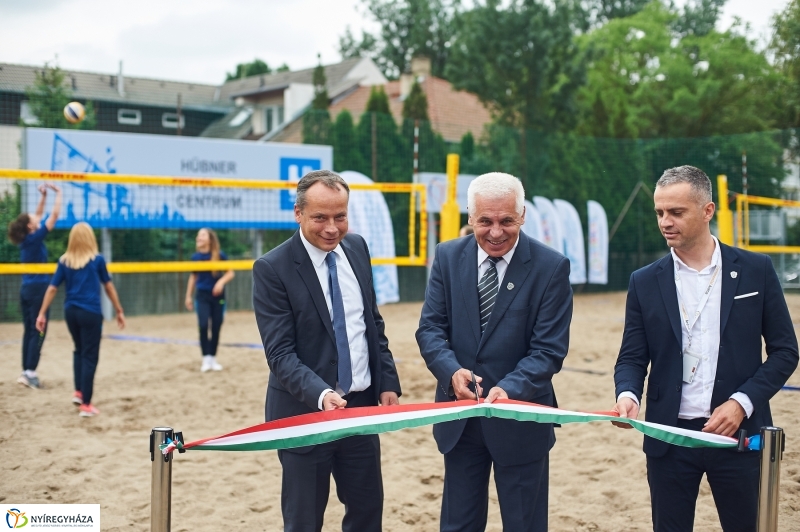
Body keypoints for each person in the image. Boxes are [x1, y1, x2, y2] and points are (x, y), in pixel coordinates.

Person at [612, 166, 799, 532]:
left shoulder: (756, 270)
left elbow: (785, 351)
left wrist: (741, 403)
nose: (665, 222)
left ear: (707, 210)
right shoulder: (644, 281)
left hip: (737, 436)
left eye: (676, 212)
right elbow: (632, 356)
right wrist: (628, 393)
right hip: (669, 437)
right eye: (660, 212)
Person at [416, 171, 573, 531]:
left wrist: (511, 388)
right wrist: (451, 371)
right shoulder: (447, 256)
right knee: (458, 524)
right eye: (485, 221)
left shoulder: (551, 267)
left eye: (507, 221)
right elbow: (430, 329)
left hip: (520, 419)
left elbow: (548, 349)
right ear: (470, 218)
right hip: (460, 418)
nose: (496, 231)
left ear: (522, 216)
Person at [252, 169, 402, 532]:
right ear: (298, 213)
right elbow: (280, 354)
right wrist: (321, 394)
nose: (332, 228)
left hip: (361, 410)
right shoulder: (272, 268)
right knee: (304, 521)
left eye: (341, 216)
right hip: (304, 414)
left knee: (367, 516)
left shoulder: (358, 248)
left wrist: (387, 381)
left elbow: (372, 324)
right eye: (320, 217)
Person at [35, 222, 125, 417]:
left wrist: (42, 313)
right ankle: (86, 404)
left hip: (71, 312)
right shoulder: (97, 260)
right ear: (90, 238)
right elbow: (108, 287)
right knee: (90, 355)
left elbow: (52, 288)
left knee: (79, 350)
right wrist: (118, 309)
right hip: (90, 313)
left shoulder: (64, 261)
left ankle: (78, 392)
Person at [7, 183, 62, 389]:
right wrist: (59, 194)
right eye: (33, 219)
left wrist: (43, 196)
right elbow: (53, 217)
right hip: (38, 289)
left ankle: (26, 371)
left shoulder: (26, 239)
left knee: (29, 331)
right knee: (39, 330)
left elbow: (37, 216)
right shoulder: (34, 237)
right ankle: (30, 372)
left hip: (27, 290)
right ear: (31, 226)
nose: (36, 218)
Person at [185, 228, 234, 372]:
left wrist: (221, 282)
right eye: (198, 235)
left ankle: (213, 358)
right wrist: (188, 296)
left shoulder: (219, 255)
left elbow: (230, 273)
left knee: (216, 326)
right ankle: (206, 358)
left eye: (202, 235)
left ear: (210, 239)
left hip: (218, 297)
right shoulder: (195, 257)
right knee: (203, 324)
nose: (198, 237)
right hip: (202, 296)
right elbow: (193, 277)